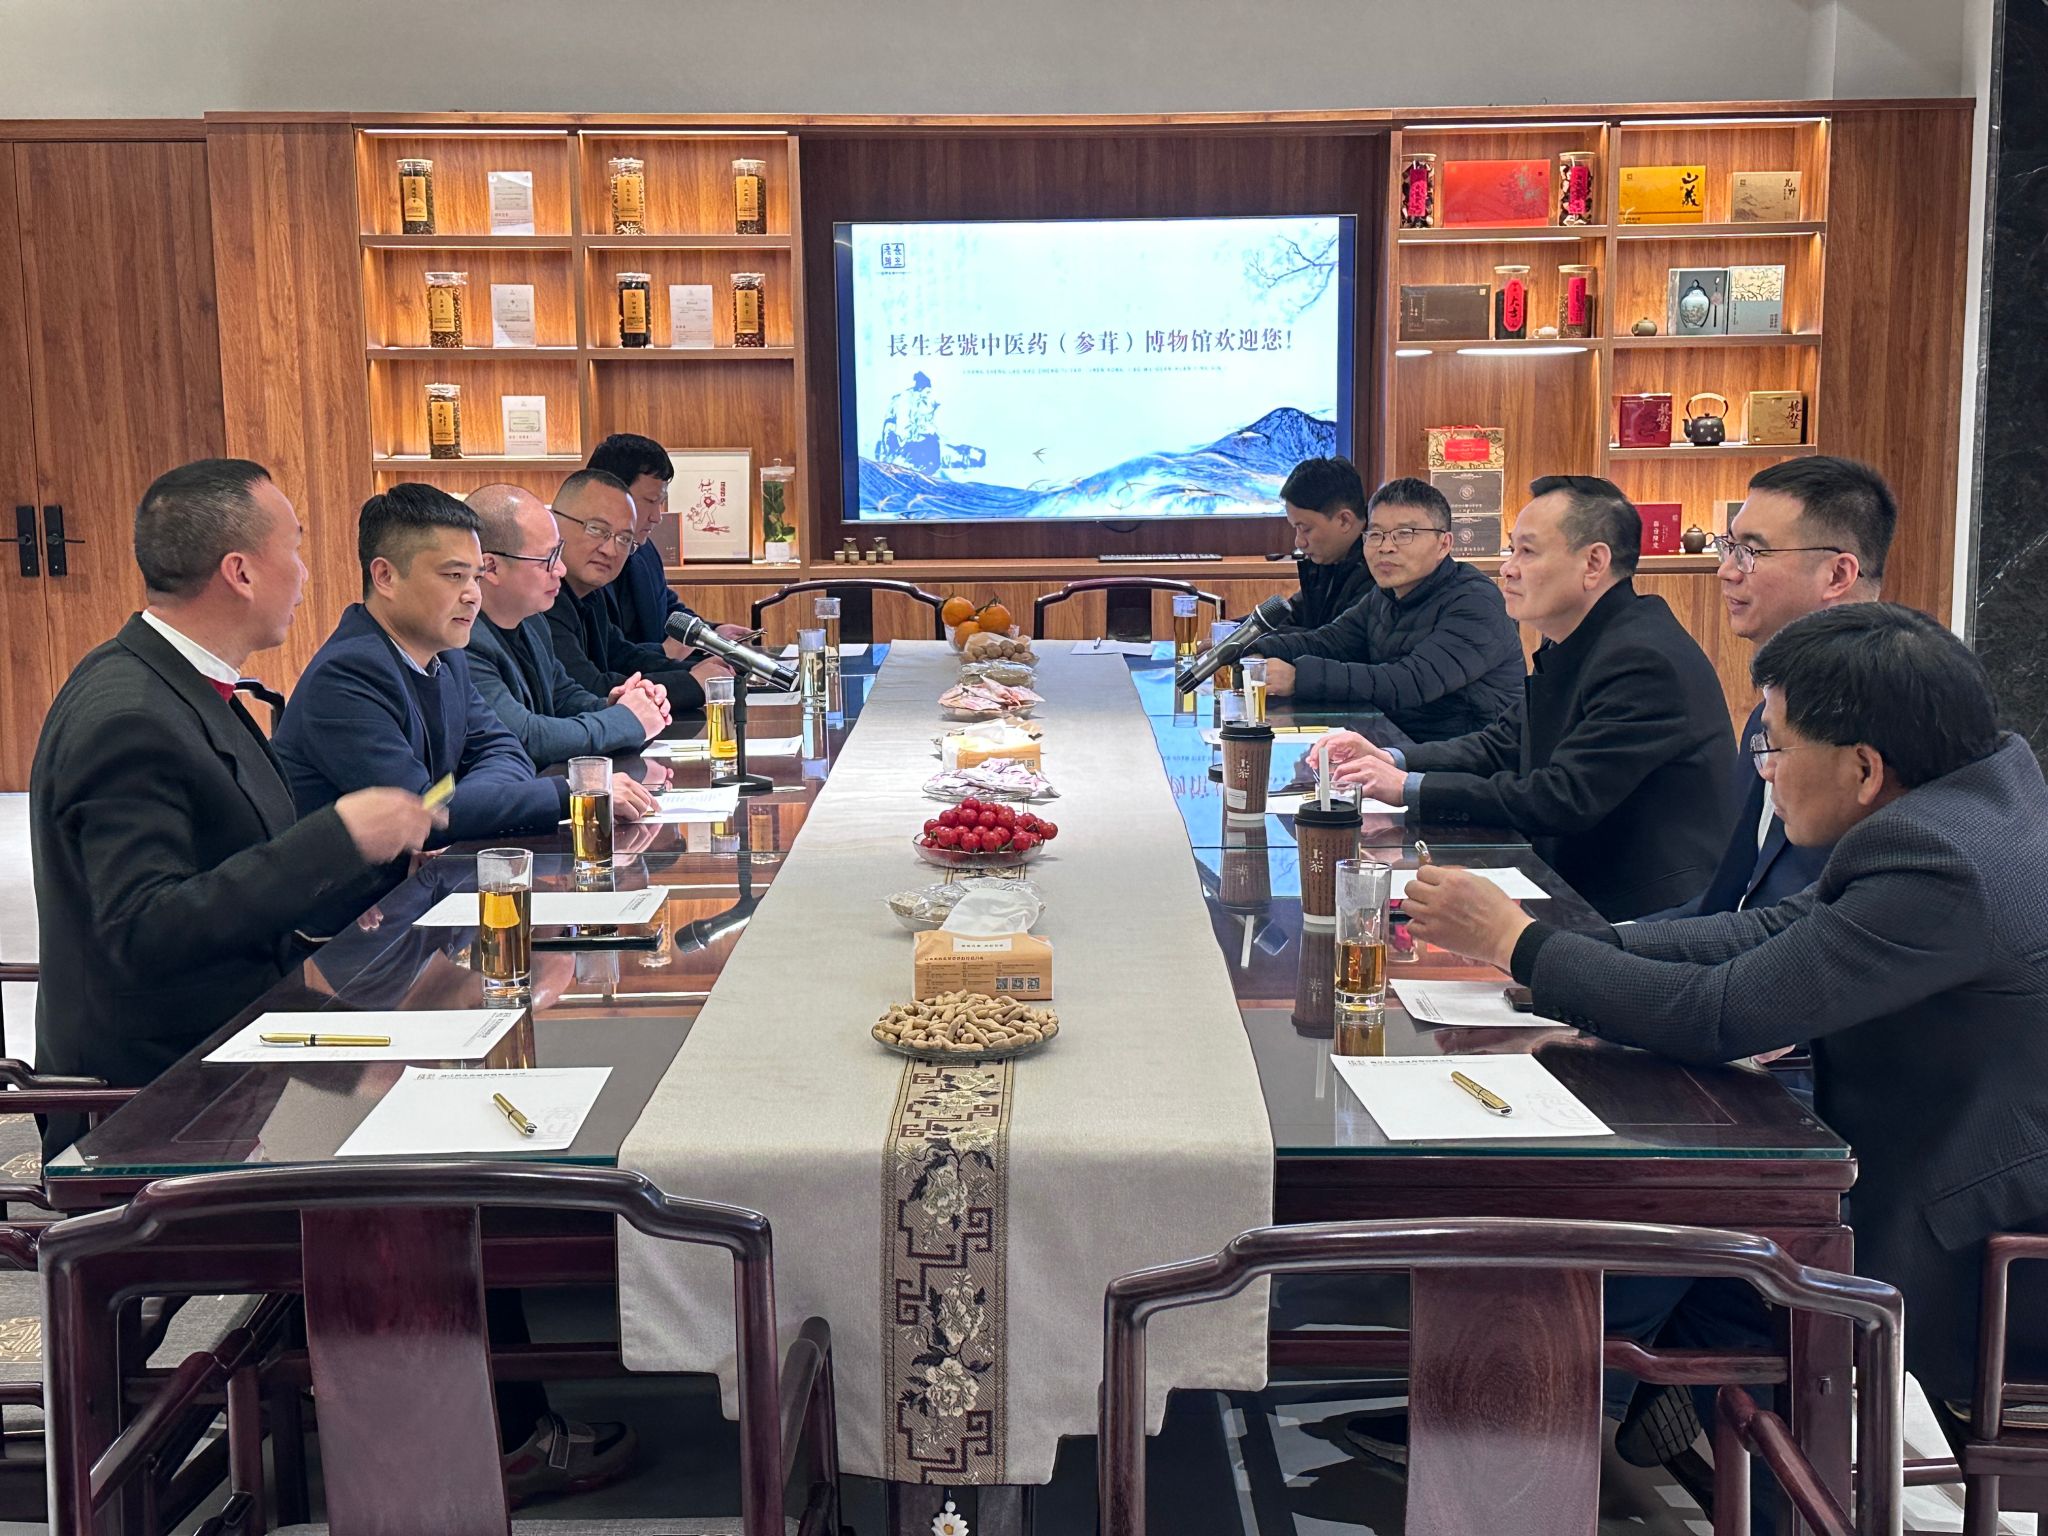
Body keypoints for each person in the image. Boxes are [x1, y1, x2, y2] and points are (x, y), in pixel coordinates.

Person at [1402, 602, 2048, 1454]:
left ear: (1863, 767)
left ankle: (1542, 1434)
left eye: (1775, 747)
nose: (1765, 772)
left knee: (1669, 1239)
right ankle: (1618, 1420)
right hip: (1949, 1165)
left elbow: (1722, 1015)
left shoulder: (1941, 863)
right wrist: (1568, 946)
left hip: (1984, 1245)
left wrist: (1517, 946)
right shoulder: (1971, 798)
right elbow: (1773, 930)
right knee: (1698, 1263)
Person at [29, 459, 436, 1155]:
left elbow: (238, 857)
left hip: (243, 1041)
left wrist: (355, 869)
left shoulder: (185, 683)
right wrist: (336, 839)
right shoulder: (130, 715)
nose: (304, 574)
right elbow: (145, 930)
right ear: (241, 572)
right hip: (156, 1097)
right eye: (295, 548)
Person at [1311, 476, 1733, 921]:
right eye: (1512, 550)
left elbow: (1562, 797)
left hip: (1643, 914)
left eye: (1527, 552)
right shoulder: (1579, 638)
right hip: (1574, 882)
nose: (1507, 569)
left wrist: (1407, 787)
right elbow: (1503, 743)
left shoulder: (1641, 658)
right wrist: (1391, 759)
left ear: (1594, 563)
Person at [274, 483, 657, 851]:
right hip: (363, 896)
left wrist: (455, 808)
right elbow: (419, 813)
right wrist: (577, 791)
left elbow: (504, 750)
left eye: (475, 576)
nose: (473, 594)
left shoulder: (446, 656)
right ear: (385, 576)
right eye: (454, 576)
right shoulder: (347, 676)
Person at [1668, 455, 1897, 917]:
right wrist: (1591, 940)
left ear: (1837, 575)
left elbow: (1803, 925)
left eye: (1751, 552)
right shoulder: (1768, 712)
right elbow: (1728, 901)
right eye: (1728, 547)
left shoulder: (1884, 724)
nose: (1727, 571)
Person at [1246, 476, 1523, 742]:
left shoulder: (1476, 601)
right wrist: (1251, 649)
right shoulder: (1384, 595)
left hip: (1468, 761)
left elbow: (1408, 682)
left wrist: (1299, 678)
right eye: (1376, 534)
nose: (1386, 547)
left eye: (1404, 534)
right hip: (1395, 744)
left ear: (1444, 544)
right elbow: (1327, 642)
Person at [465, 484, 672, 769]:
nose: (560, 569)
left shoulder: (533, 622)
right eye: (548, 559)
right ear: (491, 567)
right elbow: (525, 737)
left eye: (559, 553)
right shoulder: (463, 640)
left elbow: (563, 697)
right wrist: (627, 720)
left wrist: (615, 705)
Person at [544, 469, 715, 709]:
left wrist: (699, 670)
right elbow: (588, 689)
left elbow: (623, 656)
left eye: (624, 539)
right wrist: (691, 683)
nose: (610, 550)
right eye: (596, 529)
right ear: (553, 523)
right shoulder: (542, 598)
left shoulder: (590, 594)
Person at [584, 433, 747, 656]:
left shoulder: (644, 550)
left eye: (660, 503)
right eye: (650, 502)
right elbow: (605, 656)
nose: (657, 517)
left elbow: (666, 609)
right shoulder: (579, 565)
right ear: (609, 495)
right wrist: (665, 652)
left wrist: (711, 633)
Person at [1273, 456, 1373, 632]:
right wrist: (1235, 631)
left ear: (1344, 520)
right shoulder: (1328, 561)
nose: (1299, 542)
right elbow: (1291, 614)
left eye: (1305, 529)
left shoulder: (1377, 569)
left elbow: (1330, 640)